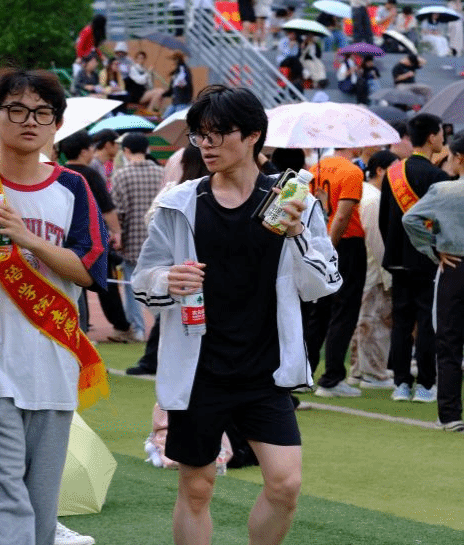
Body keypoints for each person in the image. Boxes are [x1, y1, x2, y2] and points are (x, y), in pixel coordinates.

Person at [132, 84, 341, 545]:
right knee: (197, 486)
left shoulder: (293, 201)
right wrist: (167, 280)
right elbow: (143, 279)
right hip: (199, 369)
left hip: (265, 368)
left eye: (218, 134)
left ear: (252, 136)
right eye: (199, 136)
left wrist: (297, 235)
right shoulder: (180, 203)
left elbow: (324, 284)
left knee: (285, 484)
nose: (206, 145)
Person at [0, 68, 109, 545]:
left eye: (42, 112)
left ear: (57, 124)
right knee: (3, 498)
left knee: (41, 507)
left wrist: (27, 238)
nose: (29, 121)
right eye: (16, 110)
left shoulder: (73, 187)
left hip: (54, 365)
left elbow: (91, 269)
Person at [379, 113, 449, 402]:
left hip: (397, 258)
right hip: (428, 259)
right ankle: (425, 385)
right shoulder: (438, 176)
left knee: (402, 322)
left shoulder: (393, 173)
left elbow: (384, 220)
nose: (443, 138)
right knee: (426, 321)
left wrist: (395, 248)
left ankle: (401, 383)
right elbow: (442, 222)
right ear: (432, 137)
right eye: (441, 133)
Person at [126, 144, 210, 376]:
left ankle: (151, 361)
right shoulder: (181, 194)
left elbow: (151, 220)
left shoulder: (173, 192)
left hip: (178, 267)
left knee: (170, 315)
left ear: (185, 164)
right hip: (191, 271)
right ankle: (151, 361)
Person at [402, 132, 464, 431]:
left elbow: (410, 219)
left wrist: (433, 248)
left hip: (454, 265)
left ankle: (450, 414)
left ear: (460, 158)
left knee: (449, 341)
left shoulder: (443, 190)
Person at [305, 147, 368, 398]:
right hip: (345, 244)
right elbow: (342, 216)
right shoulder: (352, 172)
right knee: (344, 311)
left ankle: (305, 374)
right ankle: (331, 378)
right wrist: (330, 249)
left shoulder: (315, 169)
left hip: (318, 242)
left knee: (318, 312)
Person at [58, 130, 132, 342]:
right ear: (83, 151)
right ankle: (120, 326)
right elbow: (107, 208)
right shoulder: (89, 175)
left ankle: (79, 326)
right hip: (92, 239)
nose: (93, 151)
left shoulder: (59, 174)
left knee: (72, 285)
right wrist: (116, 232)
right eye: (90, 148)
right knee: (105, 284)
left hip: (63, 238)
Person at [346, 150, 398, 390]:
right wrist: (388, 274)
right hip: (374, 270)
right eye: (393, 169)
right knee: (375, 323)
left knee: (365, 322)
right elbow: (377, 241)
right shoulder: (373, 199)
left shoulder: (368, 194)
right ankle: (373, 373)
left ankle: (359, 370)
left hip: (366, 268)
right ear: (380, 170)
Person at [111, 132, 165, 343]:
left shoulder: (121, 175)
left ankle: (138, 329)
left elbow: (119, 212)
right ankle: (161, 326)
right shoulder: (161, 173)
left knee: (132, 288)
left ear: (126, 151)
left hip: (132, 241)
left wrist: (117, 236)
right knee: (159, 287)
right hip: (158, 240)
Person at [161, 50, 193, 119]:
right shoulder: (177, 72)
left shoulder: (182, 69)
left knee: (178, 119)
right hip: (175, 102)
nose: (174, 62)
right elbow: (172, 90)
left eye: (175, 59)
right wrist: (163, 95)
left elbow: (184, 84)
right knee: (165, 117)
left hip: (182, 102)